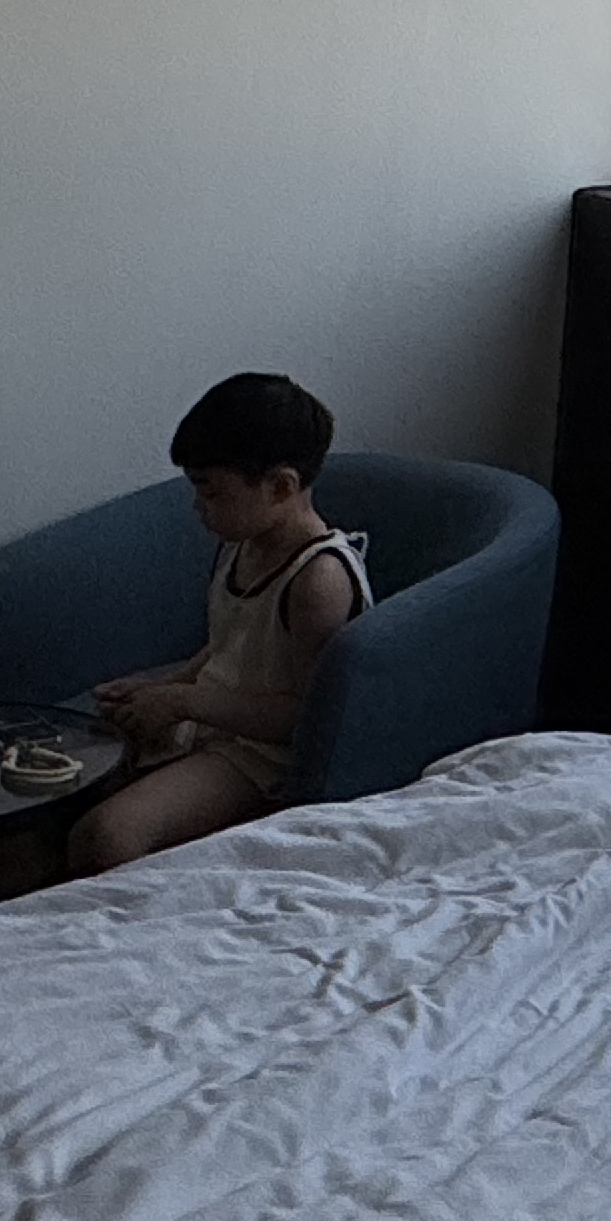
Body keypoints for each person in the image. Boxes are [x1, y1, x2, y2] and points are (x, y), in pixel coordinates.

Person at [71, 372, 370, 873]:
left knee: (109, 835)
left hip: (260, 761)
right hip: (212, 729)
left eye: (212, 493)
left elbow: (308, 716)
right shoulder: (243, 544)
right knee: (60, 782)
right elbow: (233, 644)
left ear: (280, 486)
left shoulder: (317, 581)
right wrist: (164, 687)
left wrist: (184, 701)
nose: (199, 508)